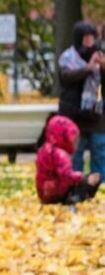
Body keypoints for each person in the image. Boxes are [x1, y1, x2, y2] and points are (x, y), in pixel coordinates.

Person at [58, 21, 105, 178]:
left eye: (91, 36)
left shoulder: (100, 55)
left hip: (95, 114)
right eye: (85, 36)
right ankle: (75, 185)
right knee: (76, 153)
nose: (89, 40)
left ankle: (99, 184)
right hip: (73, 113)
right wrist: (88, 68)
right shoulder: (68, 57)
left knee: (99, 150)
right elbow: (66, 78)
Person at [36, 115, 101, 204]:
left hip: (44, 193)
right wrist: (84, 178)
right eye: (74, 141)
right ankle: (76, 198)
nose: (75, 145)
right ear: (64, 137)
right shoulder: (61, 155)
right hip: (58, 193)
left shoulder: (43, 150)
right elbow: (67, 175)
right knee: (95, 179)